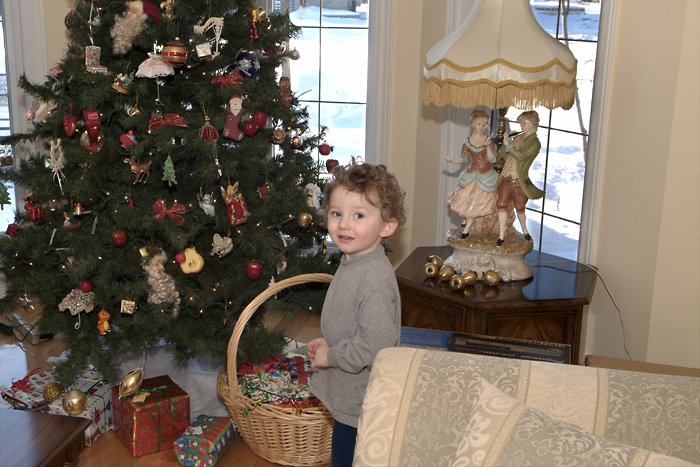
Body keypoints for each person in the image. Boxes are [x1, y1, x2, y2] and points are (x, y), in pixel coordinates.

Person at [307, 162, 406, 466]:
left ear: (387, 226)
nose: (344, 225)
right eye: (337, 213)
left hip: (361, 405)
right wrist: (330, 342)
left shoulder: (373, 280)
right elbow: (355, 321)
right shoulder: (355, 259)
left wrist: (331, 356)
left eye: (359, 215)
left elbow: (375, 345)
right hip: (349, 398)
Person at [443, 109, 498, 238]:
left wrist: (488, 147)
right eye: (479, 124)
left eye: (485, 124)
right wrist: (451, 160)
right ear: (472, 124)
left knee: (476, 201)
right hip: (471, 174)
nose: (482, 126)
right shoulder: (467, 142)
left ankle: (467, 229)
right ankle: (466, 220)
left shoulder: (488, 141)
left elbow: (492, 159)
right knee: (467, 199)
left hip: (485, 176)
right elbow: (462, 158)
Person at [495, 110, 545, 246]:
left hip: (519, 179)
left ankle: (524, 230)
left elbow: (521, 156)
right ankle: (501, 235)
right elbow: (502, 154)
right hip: (506, 176)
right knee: (501, 204)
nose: (521, 126)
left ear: (532, 124)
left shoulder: (535, 143)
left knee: (520, 206)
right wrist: (506, 143)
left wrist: (509, 145)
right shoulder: (517, 137)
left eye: (524, 123)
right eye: (521, 123)